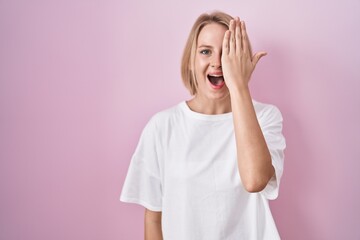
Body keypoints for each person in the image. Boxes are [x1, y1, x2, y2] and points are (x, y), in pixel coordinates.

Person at [120, 10, 286, 240]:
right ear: (190, 61)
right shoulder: (162, 126)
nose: (217, 63)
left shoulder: (266, 117)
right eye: (206, 51)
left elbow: (255, 180)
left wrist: (239, 85)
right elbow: (153, 217)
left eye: (227, 53)